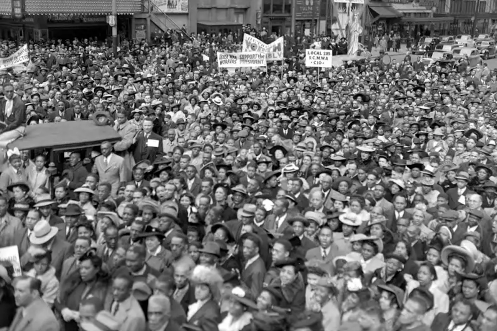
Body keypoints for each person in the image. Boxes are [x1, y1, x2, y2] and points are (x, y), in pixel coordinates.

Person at [55, 249, 110, 331]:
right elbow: (57, 300)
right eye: (81, 268)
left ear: (97, 269)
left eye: (87, 268)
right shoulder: (73, 282)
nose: (82, 271)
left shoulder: (104, 289)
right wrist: (63, 309)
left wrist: (83, 316)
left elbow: (106, 314)